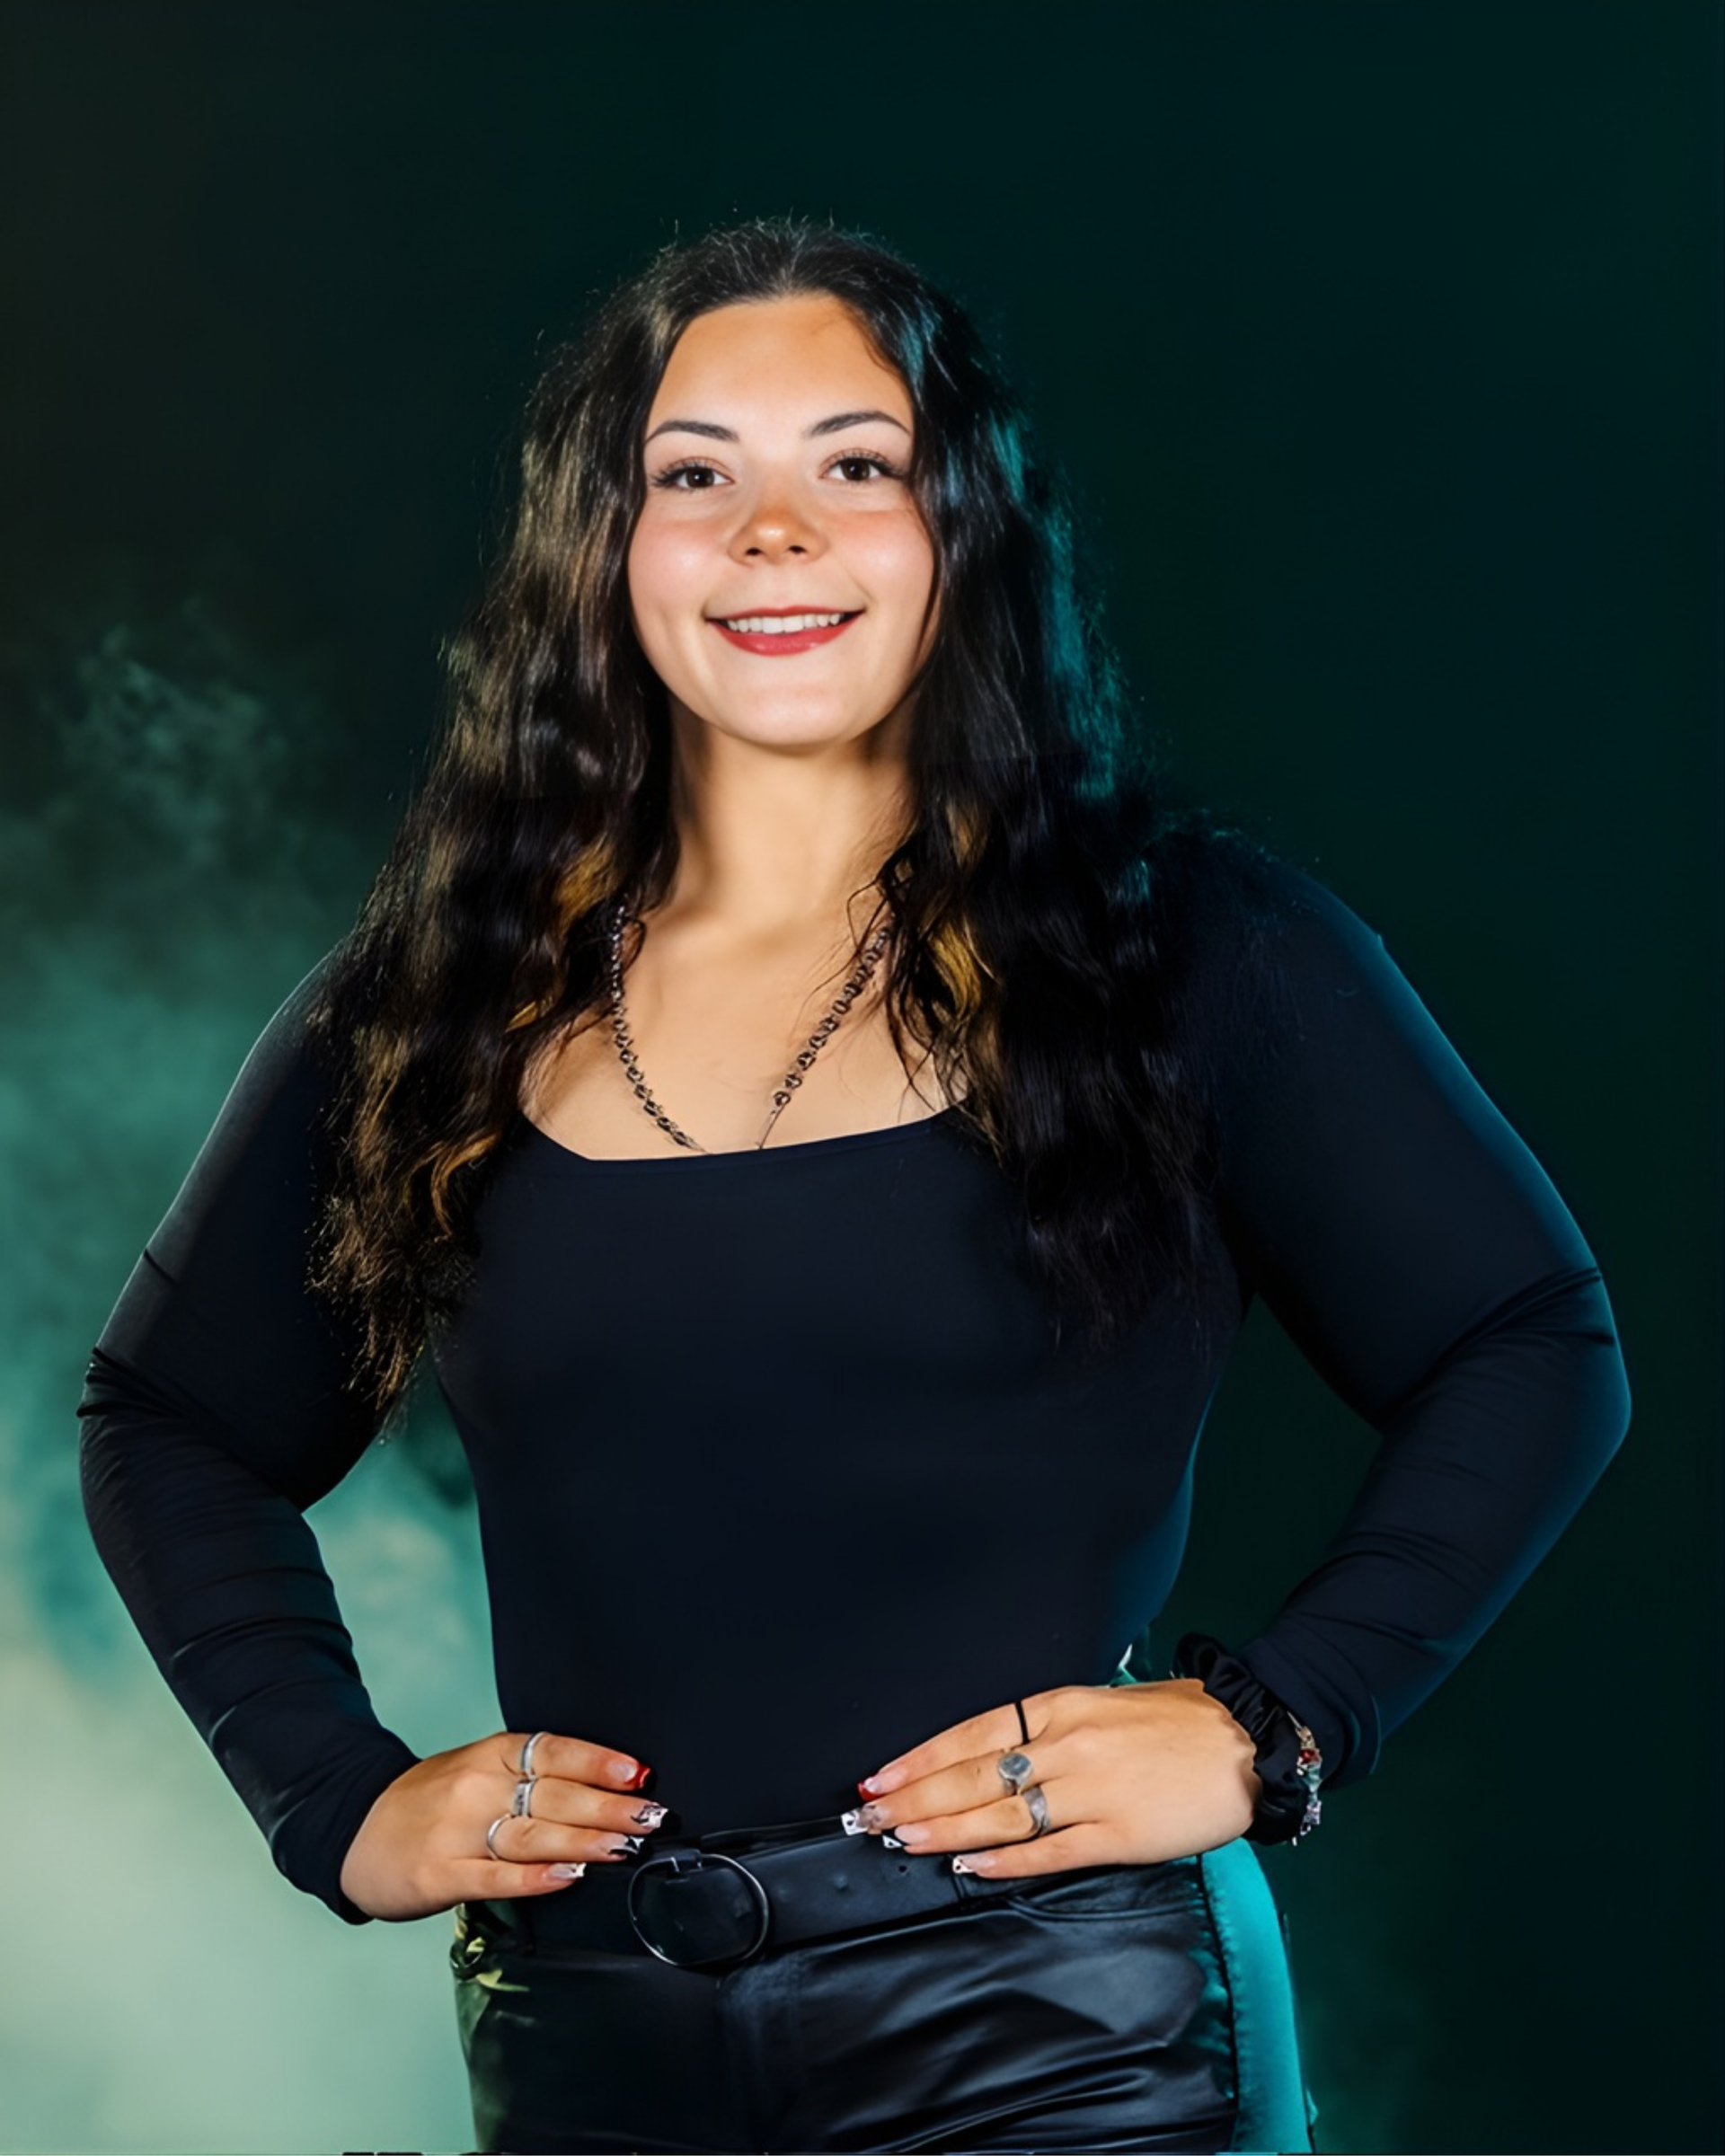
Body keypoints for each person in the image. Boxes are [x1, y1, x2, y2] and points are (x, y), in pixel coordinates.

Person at [77, 216, 1632, 2156]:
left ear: (961, 530)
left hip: (1071, 2039)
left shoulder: (1190, 952)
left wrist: (1276, 1723)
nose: (773, 533)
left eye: (858, 465)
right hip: (587, 2049)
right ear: (605, 547)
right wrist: (336, 1800)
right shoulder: (431, 1000)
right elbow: (166, 1421)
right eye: (694, 476)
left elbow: (1531, 1340)